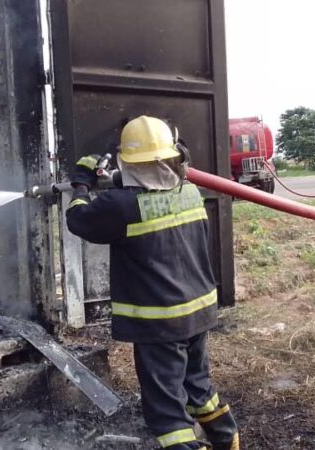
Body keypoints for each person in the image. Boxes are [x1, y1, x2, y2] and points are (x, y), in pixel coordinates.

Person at [66, 115, 240, 450]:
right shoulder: (189, 192)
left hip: (160, 323)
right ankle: (227, 438)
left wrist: (81, 183)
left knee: (167, 415)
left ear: (127, 161)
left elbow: (78, 219)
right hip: (198, 313)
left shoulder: (120, 206)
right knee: (197, 387)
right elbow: (150, 186)